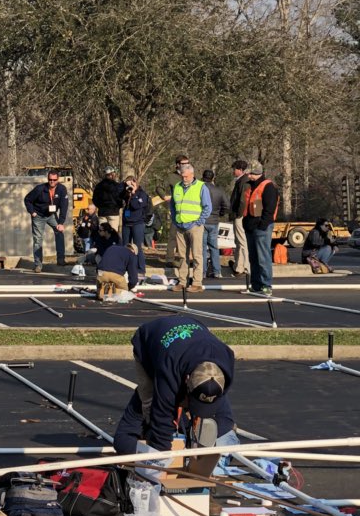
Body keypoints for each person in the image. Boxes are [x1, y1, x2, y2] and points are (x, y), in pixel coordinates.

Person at [113, 316, 238, 461]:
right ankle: (150, 431)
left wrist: (203, 448)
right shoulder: (167, 374)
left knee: (216, 429)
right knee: (150, 407)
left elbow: (225, 421)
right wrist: (160, 461)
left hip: (193, 333)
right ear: (186, 381)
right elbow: (157, 426)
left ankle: (188, 435)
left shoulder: (220, 373)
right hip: (150, 342)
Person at [169, 158, 211, 292]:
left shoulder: (201, 187)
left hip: (194, 227)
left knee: (197, 255)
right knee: (182, 256)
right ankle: (182, 281)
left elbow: (207, 207)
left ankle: (197, 283)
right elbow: (173, 206)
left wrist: (198, 222)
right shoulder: (177, 187)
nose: (184, 178)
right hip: (180, 226)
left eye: (186, 176)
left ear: (192, 174)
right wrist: (175, 221)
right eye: (182, 176)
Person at [242, 159, 279, 296]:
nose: (248, 176)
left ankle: (266, 285)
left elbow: (269, 209)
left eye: (249, 173)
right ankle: (256, 284)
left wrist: (262, 225)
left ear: (255, 172)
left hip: (261, 227)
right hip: (251, 226)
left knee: (263, 257)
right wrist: (246, 224)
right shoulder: (251, 186)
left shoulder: (268, 186)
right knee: (253, 257)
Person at [23, 169, 68, 273]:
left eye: (54, 179)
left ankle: (61, 259)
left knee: (60, 232)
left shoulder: (62, 189)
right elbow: (27, 200)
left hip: (52, 215)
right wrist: (32, 212)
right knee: (38, 240)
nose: (52, 181)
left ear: (58, 179)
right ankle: (38, 265)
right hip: (38, 215)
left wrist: (61, 222)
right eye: (50, 179)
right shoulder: (40, 189)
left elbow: (64, 206)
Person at [201, 169, 230, 279]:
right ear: (213, 178)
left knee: (202, 248)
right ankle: (217, 271)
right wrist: (220, 213)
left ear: (202, 178)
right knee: (214, 247)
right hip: (214, 220)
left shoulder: (199, 189)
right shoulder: (219, 190)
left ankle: (202, 272)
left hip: (202, 220)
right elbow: (227, 205)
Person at [120, 176, 151, 277]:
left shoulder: (142, 194)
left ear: (135, 183)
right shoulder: (126, 193)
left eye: (131, 184)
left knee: (138, 247)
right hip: (126, 223)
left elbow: (135, 205)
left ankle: (141, 269)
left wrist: (133, 193)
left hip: (138, 223)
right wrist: (125, 187)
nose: (129, 186)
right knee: (125, 246)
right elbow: (118, 195)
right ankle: (125, 267)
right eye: (127, 184)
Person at [228, 159, 250, 277]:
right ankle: (239, 266)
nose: (233, 171)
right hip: (239, 215)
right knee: (239, 241)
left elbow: (242, 200)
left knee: (241, 241)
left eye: (234, 169)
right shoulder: (242, 181)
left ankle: (245, 266)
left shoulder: (243, 181)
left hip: (240, 215)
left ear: (240, 170)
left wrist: (238, 214)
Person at [92, 166, 125, 234]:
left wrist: (100, 206)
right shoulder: (116, 186)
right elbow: (120, 198)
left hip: (102, 213)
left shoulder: (99, 186)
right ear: (112, 174)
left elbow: (94, 199)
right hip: (113, 212)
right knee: (113, 234)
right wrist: (118, 206)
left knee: (102, 234)